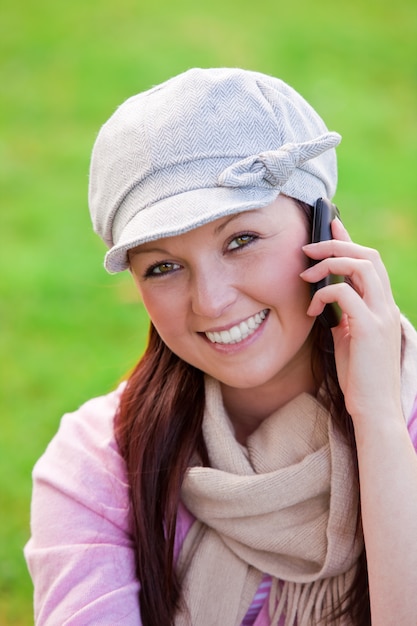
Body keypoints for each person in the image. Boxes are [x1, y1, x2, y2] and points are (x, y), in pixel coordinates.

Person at [25, 68, 417, 626]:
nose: (209, 302)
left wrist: (378, 422)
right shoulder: (99, 462)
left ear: (324, 229)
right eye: (163, 267)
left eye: (241, 240)